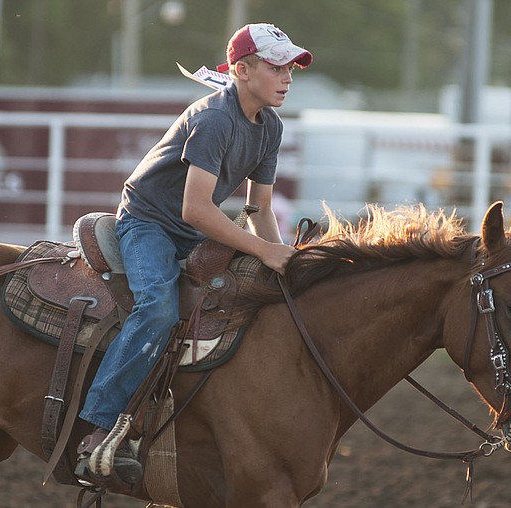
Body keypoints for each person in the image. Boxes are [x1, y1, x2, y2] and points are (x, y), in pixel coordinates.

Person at [75, 22, 312, 484]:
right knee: (159, 309)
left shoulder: (271, 126)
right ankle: (97, 429)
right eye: (277, 67)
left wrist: (283, 259)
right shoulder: (214, 118)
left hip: (189, 229)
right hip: (148, 223)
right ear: (242, 70)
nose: (287, 78)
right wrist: (263, 249)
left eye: (292, 69)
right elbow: (197, 209)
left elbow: (259, 207)